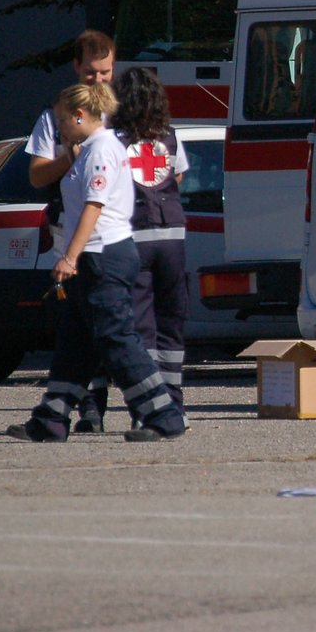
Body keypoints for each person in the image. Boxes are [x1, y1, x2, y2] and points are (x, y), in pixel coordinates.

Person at [6, 83, 187, 443]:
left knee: (116, 338)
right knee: (77, 342)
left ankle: (164, 414)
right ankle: (51, 419)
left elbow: (94, 206)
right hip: (92, 257)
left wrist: (69, 257)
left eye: (62, 121)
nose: (59, 129)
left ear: (79, 116)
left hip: (103, 256)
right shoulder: (86, 150)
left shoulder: (101, 149)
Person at [26, 30, 115, 430]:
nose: (99, 81)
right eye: (92, 73)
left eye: (107, 72)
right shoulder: (54, 118)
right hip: (72, 235)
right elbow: (36, 176)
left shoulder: (119, 114)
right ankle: (87, 407)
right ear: (76, 68)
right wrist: (70, 156)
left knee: (101, 326)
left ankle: (92, 405)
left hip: (112, 236)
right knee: (77, 324)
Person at [111, 67, 189, 418]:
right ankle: (175, 403)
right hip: (173, 235)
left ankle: (152, 408)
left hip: (135, 237)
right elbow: (179, 174)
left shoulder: (114, 140)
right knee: (171, 322)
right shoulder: (169, 135)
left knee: (142, 327)